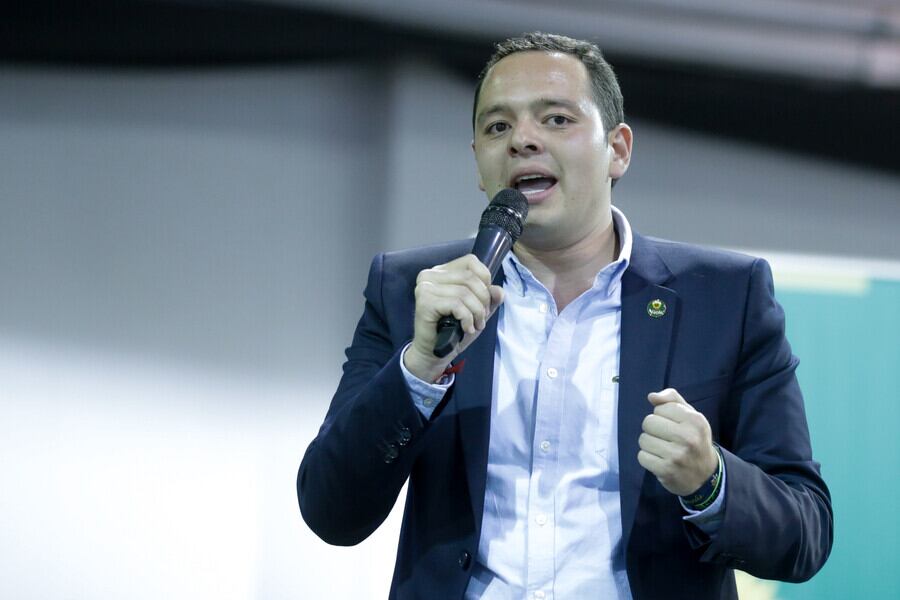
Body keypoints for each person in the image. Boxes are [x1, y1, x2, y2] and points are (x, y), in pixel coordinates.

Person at [297, 32, 832, 599]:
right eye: (497, 127)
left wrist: (710, 482)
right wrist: (418, 370)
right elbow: (331, 512)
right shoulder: (411, 292)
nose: (523, 140)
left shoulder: (725, 297)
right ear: (478, 164)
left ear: (618, 149)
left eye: (555, 119)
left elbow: (805, 533)